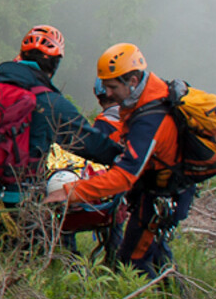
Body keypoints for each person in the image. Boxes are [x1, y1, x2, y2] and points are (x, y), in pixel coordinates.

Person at [0, 25, 121, 245]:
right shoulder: (51, 102)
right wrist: (125, 160)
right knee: (34, 245)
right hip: (17, 193)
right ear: (55, 63)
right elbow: (88, 142)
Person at [43, 43, 197, 276]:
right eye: (105, 88)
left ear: (133, 81)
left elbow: (124, 176)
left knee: (134, 262)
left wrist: (70, 192)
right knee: (152, 253)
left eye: (112, 87)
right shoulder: (146, 99)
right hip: (160, 190)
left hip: (164, 193)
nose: (109, 94)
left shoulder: (150, 119)